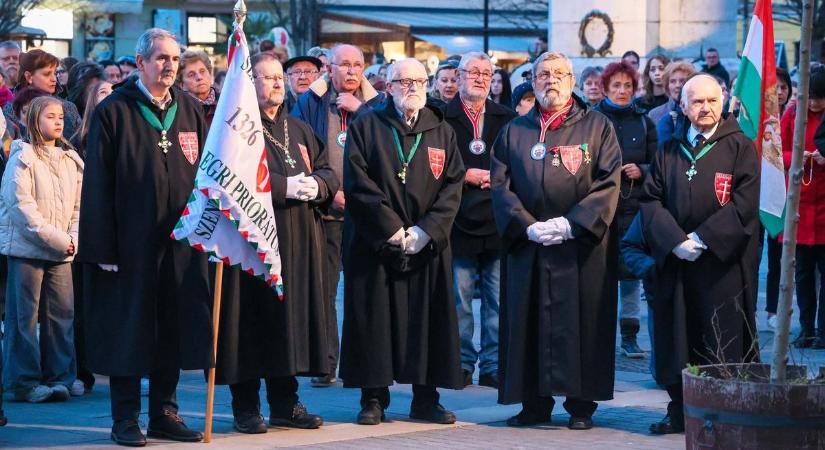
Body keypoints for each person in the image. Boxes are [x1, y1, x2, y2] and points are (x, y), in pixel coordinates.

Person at [77, 28, 212, 447]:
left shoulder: (189, 109)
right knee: (130, 330)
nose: (170, 66)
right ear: (141, 63)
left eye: (175, 59)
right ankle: (125, 418)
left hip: (180, 243)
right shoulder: (115, 111)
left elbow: (206, 175)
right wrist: (103, 247)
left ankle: (164, 412)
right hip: (130, 245)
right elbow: (98, 184)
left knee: (171, 327)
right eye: (161, 58)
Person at [491, 51, 622, 430]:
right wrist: (526, 224)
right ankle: (534, 404)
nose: (551, 80)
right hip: (529, 246)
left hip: (578, 248)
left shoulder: (598, 127)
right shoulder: (515, 130)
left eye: (559, 74)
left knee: (580, 325)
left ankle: (580, 406)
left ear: (572, 80)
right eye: (543, 74)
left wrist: (572, 224)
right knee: (528, 322)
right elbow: (500, 184)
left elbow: (609, 181)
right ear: (532, 82)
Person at [215, 52, 338, 434]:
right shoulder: (236, 128)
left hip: (298, 241)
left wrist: (317, 184)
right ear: (249, 85)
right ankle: (246, 407)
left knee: (289, 323)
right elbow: (228, 180)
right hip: (253, 244)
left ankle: (285, 402)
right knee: (251, 323)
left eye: (277, 79)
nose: (275, 84)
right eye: (266, 78)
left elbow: (329, 169)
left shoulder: (298, 127)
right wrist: (285, 187)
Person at [340, 57, 465, 426]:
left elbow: (453, 185)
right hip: (377, 241)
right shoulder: (368, 123)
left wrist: (427, 230)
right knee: (374, 321)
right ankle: (374, 398)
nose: (412, 88)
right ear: (388, 86)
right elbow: (357, 181)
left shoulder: (441, 129)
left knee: (428, 321)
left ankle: (426, 398)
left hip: (426, 244)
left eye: (418, 81)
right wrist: (392, 230)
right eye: (403, 81)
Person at [640, 74, 759, 434]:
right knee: (677, 337)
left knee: (719, 341)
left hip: (720, 265)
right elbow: (650, 199)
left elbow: (744, 205)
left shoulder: (741, 147)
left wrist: (703, 238)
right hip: (677, 262)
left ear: (722, 102)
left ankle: (719, 415)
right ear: (683, 105)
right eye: (697, 102)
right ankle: (678, 411)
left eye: (711, 101)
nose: (704, 108)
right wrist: (676, 240)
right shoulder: (668, 147)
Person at [292, 44, 385, 388]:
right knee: (325, 292)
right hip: (325, 209)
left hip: (367, 214)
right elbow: (299, 152)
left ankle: (363, 368)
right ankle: (326, 363)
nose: (350, 71)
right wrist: (329, 191)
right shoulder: (310, 102)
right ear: (328, 68)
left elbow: (389, 149)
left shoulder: (377, 104)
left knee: (364, 292)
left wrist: (361, 111)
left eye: (357, 65)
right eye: (344, 64)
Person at [0, 95, 84, 404]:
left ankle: (60, 377)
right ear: (35, 120)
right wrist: (59, 239)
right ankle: (23, 381)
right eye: (50, 116)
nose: (58, 121)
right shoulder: (22, 158)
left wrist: (71, 238)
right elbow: (22, 209)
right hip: (27, 251)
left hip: (62, 250)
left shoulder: (70, 161)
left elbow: (78, 206)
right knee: (24, 320)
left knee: (62, 316)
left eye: (60, 115)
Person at [442, 52, 515, 389]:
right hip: (458, 221)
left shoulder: (507, 118)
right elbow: (432, 167)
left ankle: (493, 366)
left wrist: (497, 177)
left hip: (497, 220)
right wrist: (463, 174)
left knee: (497, 301)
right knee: (460, 301)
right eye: (473, 72)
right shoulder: (441, 116)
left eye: (487, 73)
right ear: (458, 76)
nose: (481, 78)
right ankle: (461, 363)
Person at [594, 61, 657, 359]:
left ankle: (629, 335)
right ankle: (599, 334)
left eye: (627, 86)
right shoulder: (591, 120)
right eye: (616, 86)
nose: (622, 91)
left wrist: (641, 169)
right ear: (605, 88)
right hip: (600, 208)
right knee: (600, 273)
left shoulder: (645, 122)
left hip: (634, 207)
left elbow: (658, 165)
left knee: (630, 274)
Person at [782, 66, 825, 348]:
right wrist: (797, 158)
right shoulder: (792, 114)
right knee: (803, 274)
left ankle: (823, 331)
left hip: (824, 207)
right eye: (810, 97)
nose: (814, 104)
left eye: (820, 99)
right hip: (799, 204)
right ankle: (806, 328)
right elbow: (777, 153)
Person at [649, 60, 695, 142]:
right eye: (673, 81)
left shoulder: (698, 112)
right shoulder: (654, 114)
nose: (677, 85)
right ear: (667, 86)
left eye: (682, 81)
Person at [178, 50, 218, 126]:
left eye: (202, 71)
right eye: (191, 75)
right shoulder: (177, 109)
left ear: (210, 74)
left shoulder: (226, 102)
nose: (199, 77)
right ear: (182, 84)